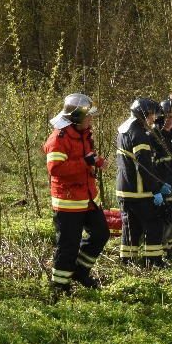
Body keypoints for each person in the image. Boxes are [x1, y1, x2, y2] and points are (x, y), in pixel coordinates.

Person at [43, 93, 110, 295]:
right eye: (88, 116)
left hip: (87, 198)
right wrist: (85, 163)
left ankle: (80, 273)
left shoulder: (84, 133)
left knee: (101, 234)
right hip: (68, 201)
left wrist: (96, 161)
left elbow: (86, 155)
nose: (91, 120)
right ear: (77, 117)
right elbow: (55, 168)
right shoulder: (58, 138)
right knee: (68, 246)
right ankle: (59, 287)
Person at [116, 98, 172, 268]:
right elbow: (144, 166)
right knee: (153, 224)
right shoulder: (139, 134)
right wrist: (156, 188)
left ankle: (127, 260)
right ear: (145, 114)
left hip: (124, 189)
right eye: (152, 115)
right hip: (140, 190)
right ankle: (154, 261)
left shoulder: (125, 129)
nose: (154, 119)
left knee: (130, 227)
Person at [153, 98, 172, 259]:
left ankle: (170, 249)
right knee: (164, 219)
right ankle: (162, 252)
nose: (171, 121)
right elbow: (152, 166)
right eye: (168, 117)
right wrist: (158, 187)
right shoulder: (156, 136)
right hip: (162, 184)